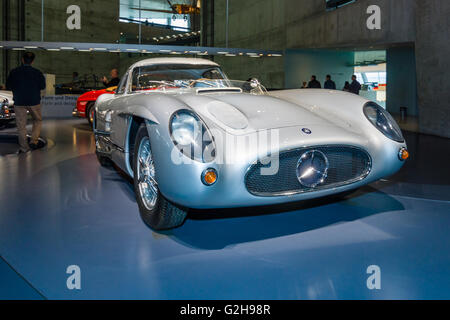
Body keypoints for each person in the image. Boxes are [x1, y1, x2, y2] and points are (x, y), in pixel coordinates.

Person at [6, 52, 46, 154]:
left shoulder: (14, 72)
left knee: (21, 125)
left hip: (19, 102)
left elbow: (8, 86)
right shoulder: (38, 73)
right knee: (37, 120)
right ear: (32, 61)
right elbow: (42, 86)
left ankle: (24, 148)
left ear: (22, 60)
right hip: (34, 101)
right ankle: (33, 141)